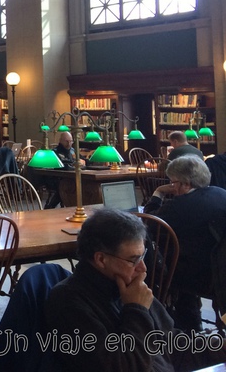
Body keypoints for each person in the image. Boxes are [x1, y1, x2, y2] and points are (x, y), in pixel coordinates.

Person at [44, 208, 224, 372]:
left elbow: (171, 342)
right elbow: (126, 367)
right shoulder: (68, 302)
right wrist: (137, 311)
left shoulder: (127, 286)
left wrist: (220, 346)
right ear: (100, 259)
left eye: (142, 256)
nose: (143, 268)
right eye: (133, 259)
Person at [143, 155, 226, 331]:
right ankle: (191, 323)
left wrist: (158, 192)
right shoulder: (221, 193)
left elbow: (149, 223)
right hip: (220, 270)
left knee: (152, 262)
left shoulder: (178, 206)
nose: (172, 187)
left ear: (185, 184)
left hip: (200, 276)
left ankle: (177, 327)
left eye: (173, 182)